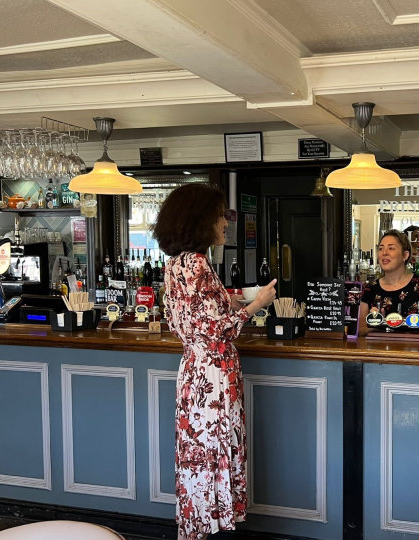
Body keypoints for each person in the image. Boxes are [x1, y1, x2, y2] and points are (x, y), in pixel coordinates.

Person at [152, 184, 277, 540]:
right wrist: (257, 304)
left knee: (197, 457)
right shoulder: (198, 264)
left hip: (194, 370)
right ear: (201, 220)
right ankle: (208, 527)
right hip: (213, 378)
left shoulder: (176, 264)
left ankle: (198, 527)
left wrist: (232, 301)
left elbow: (192, 320)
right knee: (211, 453)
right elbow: (217, 330)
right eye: (221, 215)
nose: (225, 223)